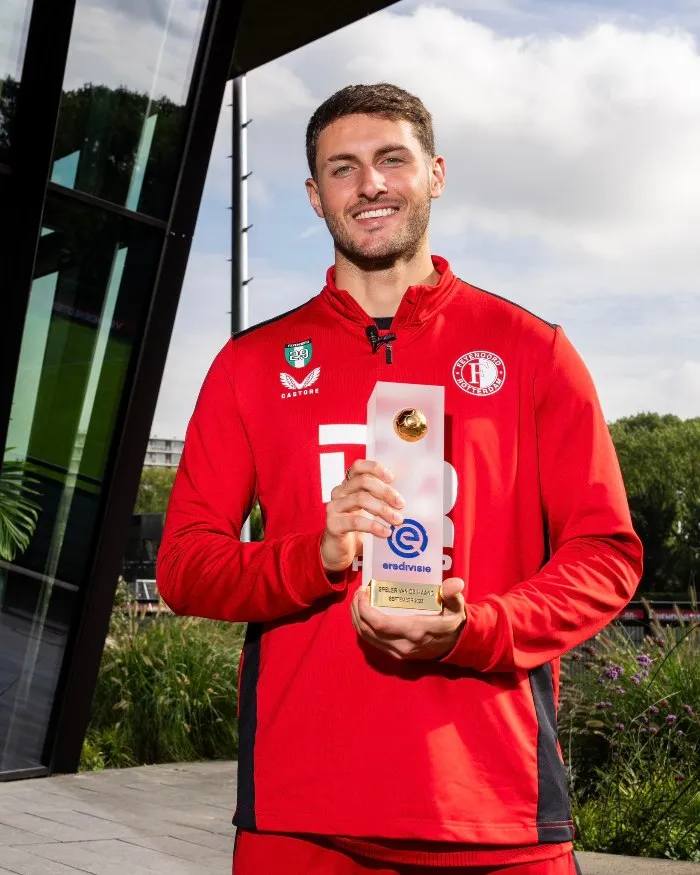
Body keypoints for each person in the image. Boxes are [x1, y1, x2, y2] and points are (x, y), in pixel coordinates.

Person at [157, 83, 642, 875]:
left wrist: (479, 627)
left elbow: (607, 555)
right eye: (342, 168)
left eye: (392, 159)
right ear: (315, 197)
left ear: (436, 174)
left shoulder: (532, 351)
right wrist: (309, 554)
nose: (370, 184)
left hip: (493, 815)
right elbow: (183, 565)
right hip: (300, 820)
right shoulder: (249, 367)